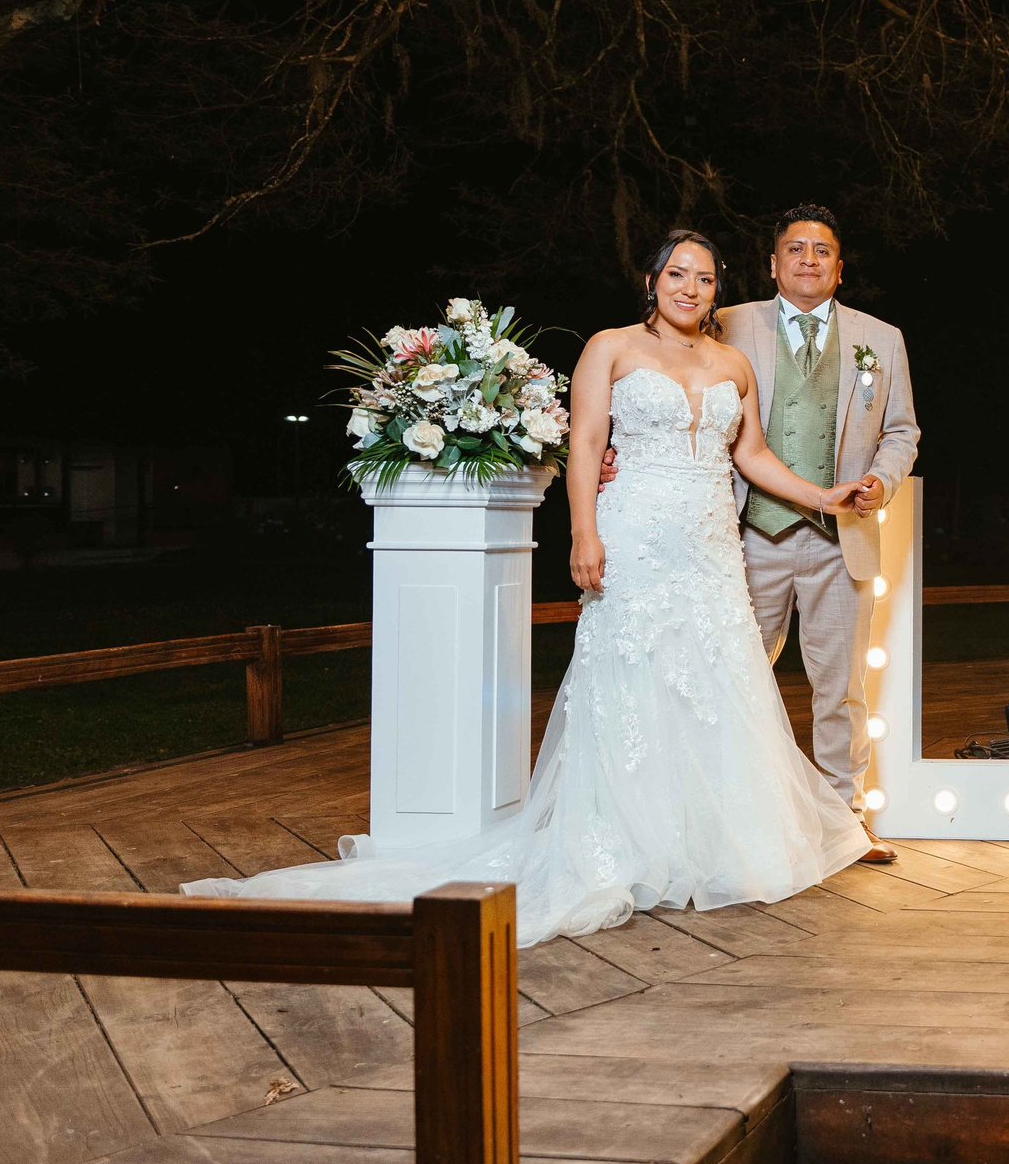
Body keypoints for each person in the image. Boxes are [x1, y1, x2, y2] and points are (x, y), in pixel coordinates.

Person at [184, 230, 874, 945]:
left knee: (715, 683)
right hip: (633, 534)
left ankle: (710, 844)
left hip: (709, 548)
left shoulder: (733, 362)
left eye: (703, 278)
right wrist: (584, 531)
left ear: (717, 290)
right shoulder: (610, 346)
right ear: (652, 278)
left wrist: (824, 496)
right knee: (632, 683)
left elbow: (752, 453)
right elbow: (583, 443)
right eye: (677, 273)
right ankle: (624, 842)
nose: (690, 288)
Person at [600, 207, 918, 863]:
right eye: (795, 249)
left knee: (843, 687)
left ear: (838, 265)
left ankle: (845, 824)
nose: (809, 259)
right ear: (772, 264)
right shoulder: (728, 320)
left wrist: (881, 481)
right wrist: (614, 450)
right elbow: (657, 382)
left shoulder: (878, 340)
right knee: (728, 679)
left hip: (841, 535)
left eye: (822, 251)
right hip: (746, 534)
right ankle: (720, 820)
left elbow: (901, 430)